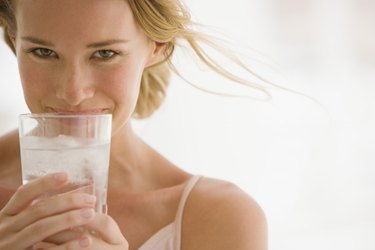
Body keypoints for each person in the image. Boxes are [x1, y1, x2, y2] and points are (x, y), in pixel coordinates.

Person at [0, 0, 267, 249]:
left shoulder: (219, 218)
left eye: (105, 53)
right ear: (14, 37)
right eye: (43, 52)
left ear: (156, 45)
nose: (73, 92)